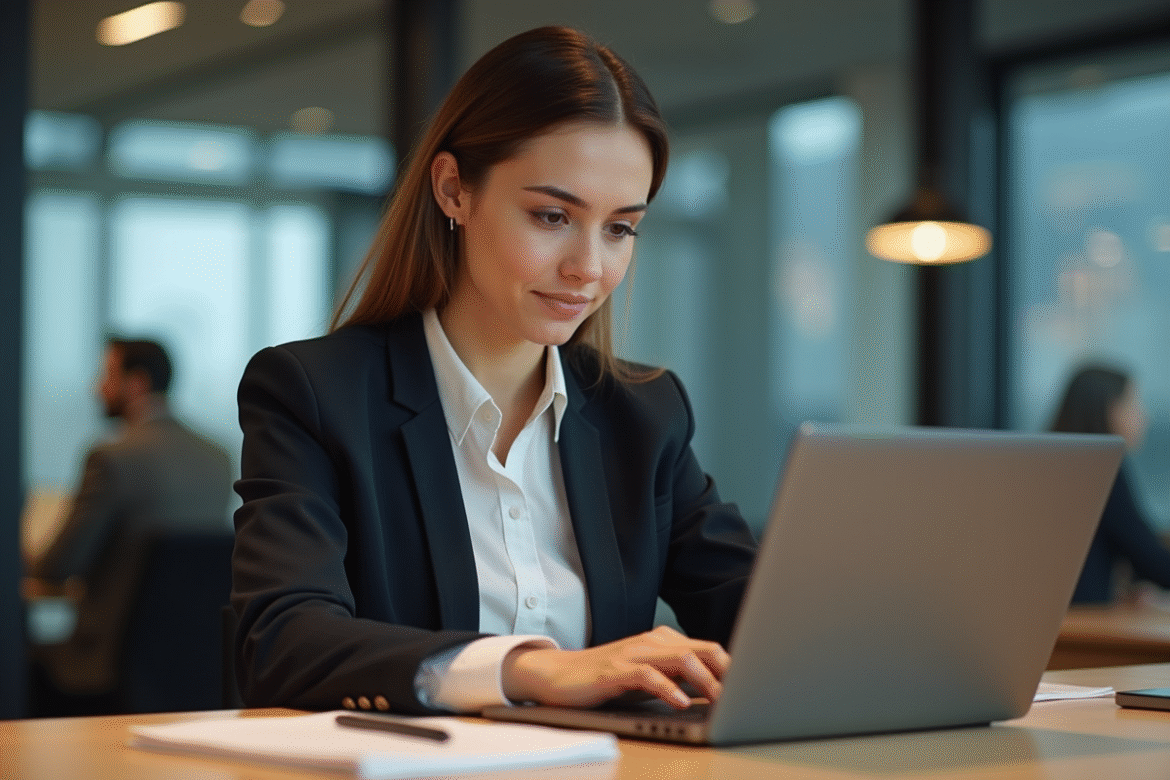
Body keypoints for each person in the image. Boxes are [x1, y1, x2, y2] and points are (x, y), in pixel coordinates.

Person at [231, 25, 758, 717]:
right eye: (551, 215)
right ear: (454, 190)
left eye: (620, 228)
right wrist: (534, 671)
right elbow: (283, 643)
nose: (589, 269)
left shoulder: (644, 413)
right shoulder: (315, 394)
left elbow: (761, 618)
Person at [27, 337, 234, 709]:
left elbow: (58, 568)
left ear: (136, 382)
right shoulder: (217, 458)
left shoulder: (112, 457)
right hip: (196, 660)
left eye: (106, 375)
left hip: (107, 659)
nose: (96, 388)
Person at [1049, 364, 1170, 603]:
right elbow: (1147, 556)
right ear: (1110, 409)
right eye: (1135, 404)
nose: (1144, 415)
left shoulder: (1050, 463)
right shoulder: (1102, 469)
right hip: (1086, 624)